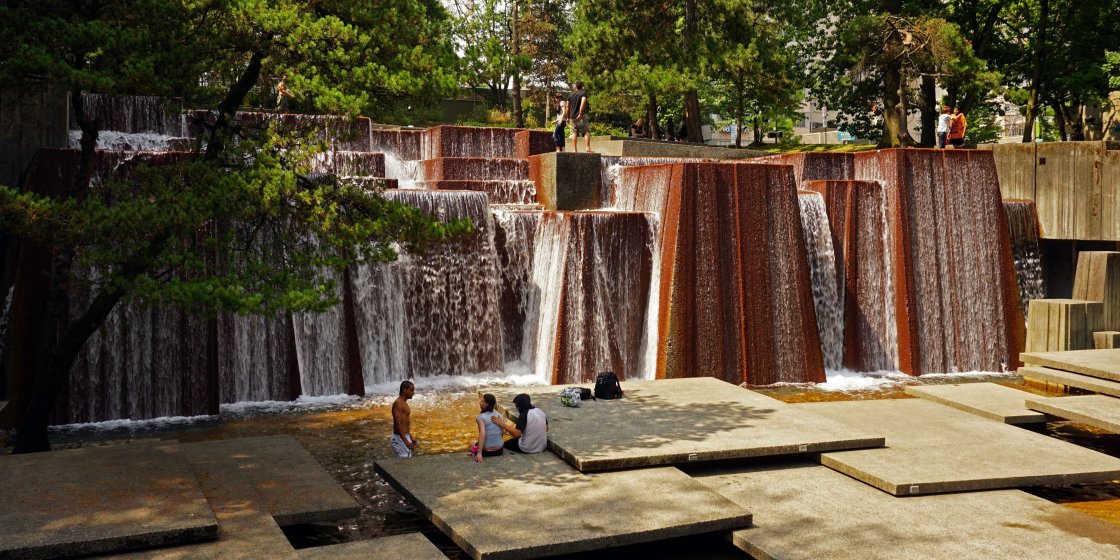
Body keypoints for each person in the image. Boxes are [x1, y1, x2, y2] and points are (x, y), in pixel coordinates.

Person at [470, 393, 505, 463]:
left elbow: (482, 434)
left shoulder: (480, 417)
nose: (479, 402)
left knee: (471, 444)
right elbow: (501, 431)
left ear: (487, 404)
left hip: (486, 452)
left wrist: (479, 453)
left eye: (482, 401)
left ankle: (476, 448)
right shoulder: (499, 415)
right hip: (500, 450)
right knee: (477, 442)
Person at [391, 380, 418, 457]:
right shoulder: (398, 403)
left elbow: (404, 423)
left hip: (403, 436)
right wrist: (406, 441)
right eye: (411, 390)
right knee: (404, 464)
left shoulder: (403, 403)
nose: (413, 392)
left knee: (406, 462)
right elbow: (398, 423)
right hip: (400, 438)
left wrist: (410, 437)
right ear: (404, 390)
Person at [568, 82, 591, 153]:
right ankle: (587, 148)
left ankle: (574, 150)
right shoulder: (583, 93)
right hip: (581, 116)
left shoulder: (570, 95)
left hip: (572, 116)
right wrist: (580, 114)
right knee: (586, 131)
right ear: (582, 86)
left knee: (573, 133)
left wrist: (567, 116)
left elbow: (567, 106)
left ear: (575, 86)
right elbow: (583, 102)